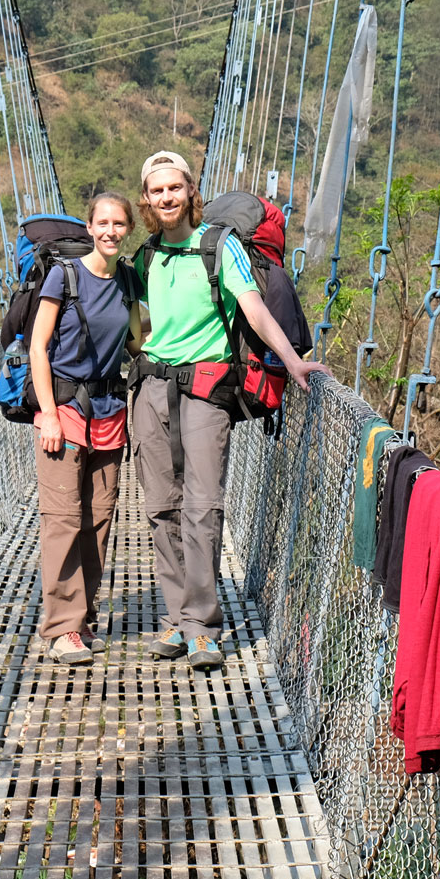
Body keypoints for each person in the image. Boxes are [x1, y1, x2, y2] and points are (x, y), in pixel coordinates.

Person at [129, 151, 330, 669]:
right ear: (147, 199)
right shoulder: (147, 255)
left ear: (191, 191)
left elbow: (254, 310)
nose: (167, 197)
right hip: (151, 389)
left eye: (175, 188)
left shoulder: (219, 247)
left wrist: (293, 362)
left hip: (205, 389)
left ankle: (202, 625)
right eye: (157, 191)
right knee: (160, 508)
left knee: (202, 505)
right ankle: (176, 618)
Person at [28, 192, 140, 666]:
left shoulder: (130, 279)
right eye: (103, 223)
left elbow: (141, 339)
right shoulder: (65, 275)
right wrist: (49, 413)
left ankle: (82, 617)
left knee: (97, 522)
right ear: (90, 228)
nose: (111, 231)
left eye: (119, 224)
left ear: (128, 229)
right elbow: (38, 346)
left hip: (111, 410)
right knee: (63, 521)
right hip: (66, 409)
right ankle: (60, 628)